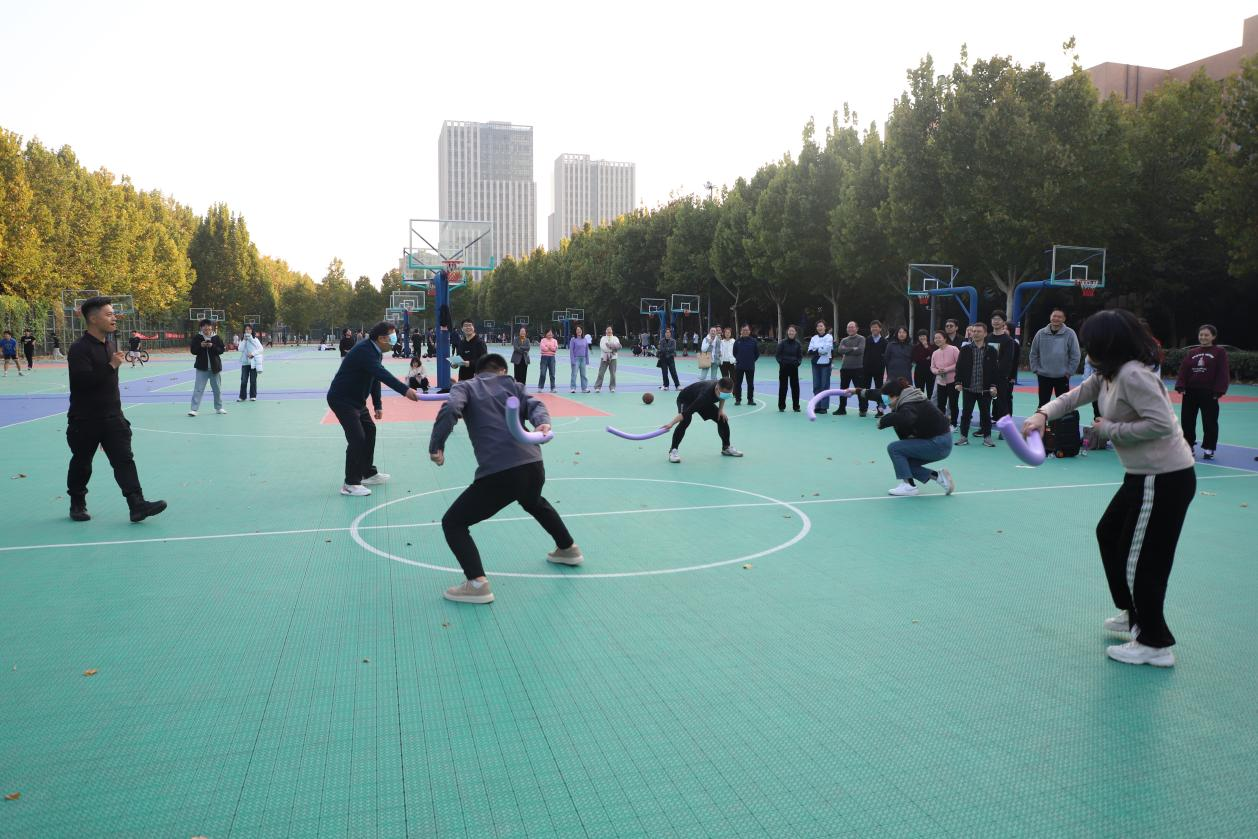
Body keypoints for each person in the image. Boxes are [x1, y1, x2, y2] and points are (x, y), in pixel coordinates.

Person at [1022, 309, 1196, 667]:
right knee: (1109, 533)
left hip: (1163, 477)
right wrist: (1042, 413)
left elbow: (1162, 424)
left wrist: (1109, 429)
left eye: (1091, 343)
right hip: (1141, 474)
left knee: (1141, 559)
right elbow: (1074, 396)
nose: (1088, 350)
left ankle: (1154, 642)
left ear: (1108, 344)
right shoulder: (1107, 374)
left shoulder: (1134, 375)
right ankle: (1134, 612)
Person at [429, 353, 581, 604]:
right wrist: (542, 423)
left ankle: (477, 584)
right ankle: (567, 548)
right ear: (502, 370)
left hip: (500, 472)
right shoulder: (514, 385)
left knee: (453, 523)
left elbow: (451, 409)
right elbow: (536, 405)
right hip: (533, 465)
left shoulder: (466, 386)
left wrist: (437, 445)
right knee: (533, 501)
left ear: (477, 373)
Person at [64, 297, 167, 523]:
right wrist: (111, 366)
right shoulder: (79, 349)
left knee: (124, 460)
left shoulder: (110, 346)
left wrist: (119, 416)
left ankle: (137, 505)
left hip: (113, 418)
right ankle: (77, 502)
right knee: (82, 462)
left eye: (114, 314)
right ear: (93, 318)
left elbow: (110, 387)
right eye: (109, 314)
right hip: (85, 419)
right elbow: (82, 383)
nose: (114, 318)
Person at [326, 321, 420, 497]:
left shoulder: (375, 351)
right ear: (382, 338)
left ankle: (367, 473)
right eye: (393, 337)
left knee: (369, 430)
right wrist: (405, 390)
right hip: (342, 400)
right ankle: (350, 483)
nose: (395, 340)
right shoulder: (365, 351)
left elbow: (375, 377)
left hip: (357, 401)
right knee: (357, 438)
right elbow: (383, 375)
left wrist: (377, 404)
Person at [857, 377, 955, 497]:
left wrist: (885, 420)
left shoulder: (909, 404)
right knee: (905, 464)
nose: (886, 402)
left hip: (938, 443)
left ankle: (908, 486)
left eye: (887, 399)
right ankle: (939, 477)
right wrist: (856, 391)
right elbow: (879, 394)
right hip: (940, 441)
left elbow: (906, 418)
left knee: (894, 448)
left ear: (895, 396)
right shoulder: (906, 395)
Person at [1175, 324, 1230, 461]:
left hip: (1209, 392)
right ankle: (1188, 446)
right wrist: (1181, 385)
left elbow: (1223, 371)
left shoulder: (1219, 352)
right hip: (1190, 392)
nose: (1203, 337)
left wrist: (1219, 390)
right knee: (1187, 421)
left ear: (1213, 336)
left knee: (1210, 421)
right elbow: (1184, 370)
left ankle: (1209, 447)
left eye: (1206, 335)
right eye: (1201, 335)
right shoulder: (1192, 352)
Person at [664, 377, 742, 463]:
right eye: (724, 394)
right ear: (717, 388)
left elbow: (723, 397)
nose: (726, 395)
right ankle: (673, 450)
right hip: (686, 399)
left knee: (722, 419)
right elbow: (685, 413)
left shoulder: (722, 388)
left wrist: (720, 410)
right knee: (685, 421)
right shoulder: (705, 395)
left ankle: (726, 448)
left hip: (702, 398)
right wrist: (671, 423)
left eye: (728, 394)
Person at [954, 323, 999, 446]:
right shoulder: (965, 349)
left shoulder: (992, 350)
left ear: (985, 334)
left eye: (979, 331)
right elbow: (959, 367)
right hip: (968, 388)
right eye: (973, 331)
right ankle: (963, 437)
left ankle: (987, 438)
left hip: (985, 390)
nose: (975, 333)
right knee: (966, 414)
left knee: (986, 415)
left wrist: (993, 385)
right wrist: (958, 382)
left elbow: (995, 370)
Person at [1029, 308, 1081, 407]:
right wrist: (1035, 369)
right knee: (1043, 404)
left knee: (1063, 405)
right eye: (1054, 316)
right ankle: (1043, 418)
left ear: (1064, 319)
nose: (1056, 318)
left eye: (1059, 317)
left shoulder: (1070, 333)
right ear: (1050, 317)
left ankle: (1062, 419)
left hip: (1062, 376)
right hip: (1043, 376)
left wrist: (1069, 372)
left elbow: (1075, 354)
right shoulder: (1041, 333)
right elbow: (1034, 353)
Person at [187, 320, 226, 416]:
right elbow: (193, 351)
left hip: (215, 368)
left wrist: (212, 346)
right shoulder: (197, 337)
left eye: (208, 326)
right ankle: (194, 409)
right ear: (201, 328)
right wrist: (201, 345)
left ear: (211, 327)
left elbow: (221, 350)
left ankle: (219, 408)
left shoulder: (216, 337)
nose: (207, 328)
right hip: (202, 368)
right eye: (204, 326)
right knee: (198, 389)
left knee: (217, 389)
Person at [988, 310, 1019, 423]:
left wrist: (1003, 376)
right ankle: (985, 426)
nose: (996, 321)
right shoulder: (987, 338)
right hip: (986, 376)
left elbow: (1007, 361)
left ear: (1004, 322)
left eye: (998, 319)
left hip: (1000, 378)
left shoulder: (1008, 340)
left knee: (1002, 402)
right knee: (985, 402)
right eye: (994, 319)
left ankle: (1006, 427)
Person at [834, 321, 866, 416]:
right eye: (848, 327)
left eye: (852, 327)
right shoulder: (844, 340)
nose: (850, 329)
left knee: (859, 390)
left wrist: (847, 349)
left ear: (857, 328)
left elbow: (860, 350)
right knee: (843, 390)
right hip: (845, 368)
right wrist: (853, 348)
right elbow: (840, 350)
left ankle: (862, 409)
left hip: (858, 368)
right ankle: (842, 409)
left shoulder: (861, 338)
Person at [930, 329, 960, 427]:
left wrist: (946, 369)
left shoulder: (954, 349)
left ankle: (953, 423)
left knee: (953, 404)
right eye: (935, 338)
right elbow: (932, 367)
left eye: (939, 337)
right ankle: (942, 423)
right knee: (940, 404)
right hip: (940, 382)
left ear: (945, 339)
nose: (937, 340)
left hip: (953, 382)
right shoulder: (935, 353)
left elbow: (959, 364)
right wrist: (937, 371)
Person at [807, 320, 835, 413]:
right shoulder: (814, 338)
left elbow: (826, 350)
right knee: (816, 386)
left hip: (826, 364)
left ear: (825, 327)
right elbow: (809, 351)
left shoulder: (829, 337)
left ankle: (824, 407)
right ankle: (817, 405)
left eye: (821, 326)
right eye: (818, 326)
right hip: (815, 364)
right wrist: (820, 350)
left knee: (824, 385)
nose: (819, 328)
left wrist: (816, 350)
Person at [775, 324, 803, 412]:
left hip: (794, 368)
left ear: (795, 333)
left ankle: (796, 406)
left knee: (795, 388)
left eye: (793, 331)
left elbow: (800, 356)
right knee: (783, 387)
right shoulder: (782, 343)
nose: (791, 332)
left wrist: (797, 363)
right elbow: (778, 355)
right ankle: (781, 406)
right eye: (790, 331)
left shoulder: (798, 344)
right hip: (783, 368)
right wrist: (782, 363)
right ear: (787, 332)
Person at [862, 320, 887, 416]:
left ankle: (880, 410)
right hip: (867, 369)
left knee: (880, 390)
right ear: (870, 329)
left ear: (880, 329)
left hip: (879, 370)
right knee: (865, 389)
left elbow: (886, 356)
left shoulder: (884, 342)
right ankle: (863, 409)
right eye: (872, 327)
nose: (874, 329)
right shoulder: (867, 340)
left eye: (876, 327)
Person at [732, 325, 758, 405]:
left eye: (746, 330)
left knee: (750, 384)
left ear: (749, 331)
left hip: (750, 366)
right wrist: (739, 359)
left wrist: (751, 360)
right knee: (738, 384)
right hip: (739, 366)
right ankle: (738, 400)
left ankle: (750, 400)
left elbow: (757, 353)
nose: (745, 332)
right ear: (741, 332)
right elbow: (734, 353)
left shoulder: (753, 341)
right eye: (743, 330)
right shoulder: (737, 341)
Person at [236, 324, 263, 402]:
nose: (247, 331)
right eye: (246, 329)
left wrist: (253, 353)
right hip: (245, 363)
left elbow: (261, 349)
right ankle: (242, 397)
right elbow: (240, 349)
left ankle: (253, 396)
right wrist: (244, 340)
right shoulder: (242, 339)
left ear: (251, 330)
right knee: (243, 381)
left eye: (249, 329)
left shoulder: (255, 339)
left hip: (253, 363)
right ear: (244, 331)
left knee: (253, 381)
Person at [593, 326, 620, 393]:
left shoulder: (615, 338)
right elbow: (603, 347)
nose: (609, 331)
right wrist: (612, 349)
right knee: (601, 373)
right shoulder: (603, 338)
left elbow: (617, 346)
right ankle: (597, 387)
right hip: (604, 357)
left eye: (610, 330)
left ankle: (612, 387)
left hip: (613, 358)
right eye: (607, 330)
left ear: (612, 331)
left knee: (613, 374)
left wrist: (610, 346)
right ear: (606, 331)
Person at [911, 329, 934, 399]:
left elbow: (933, 357)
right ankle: (920, 404)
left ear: (927, 336)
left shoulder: (932, 346)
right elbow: (916, 359)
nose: (922, 337)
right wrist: (926, 358)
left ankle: (930, 404)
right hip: (919, 371)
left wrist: (927, 347)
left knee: (930, 390)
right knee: (919, 391)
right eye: (920, 336)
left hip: (930, 371)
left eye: (924, 336)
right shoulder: (915, 347)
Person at [568, 324, 591, 392]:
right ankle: (573, 388)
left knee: (583, 374)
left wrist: (587, 360)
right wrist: (572, 360)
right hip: (576, 359)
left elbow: (586, 350)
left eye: (580, 330)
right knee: (574, 374)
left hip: (583, 359)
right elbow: (571, 351)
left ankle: (584, 388)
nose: (579, 331)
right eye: (577, 330)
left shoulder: (585, 339)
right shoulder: (573, 339)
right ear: (575, 331)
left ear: (582, 331)